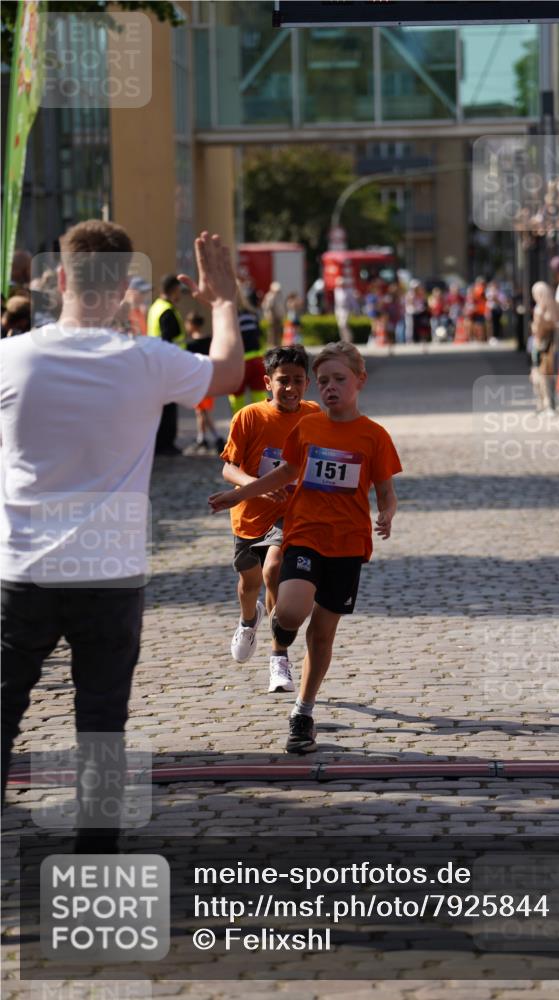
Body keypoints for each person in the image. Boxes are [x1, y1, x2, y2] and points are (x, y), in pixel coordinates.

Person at [1, 222, 244, 849]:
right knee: (103, 722)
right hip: (109, 575)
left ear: (61, 279)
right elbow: (226, 372)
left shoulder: (12, 357)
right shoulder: (146, 360)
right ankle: (96, 856)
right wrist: (222, 304)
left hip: (21, 573)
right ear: (124, 289)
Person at [209, 342, 401, 754]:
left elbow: (386, 490)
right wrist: (239, 495)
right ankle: (277, 637)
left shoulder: (375, 436)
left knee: (323, 635)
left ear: (359, 382)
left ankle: (303, 711)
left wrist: (386, 513)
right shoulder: (307, 428)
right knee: (292, 610)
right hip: (304, 534)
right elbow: (286, 472)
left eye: (339, 380)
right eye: (325, 381)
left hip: (348, 545)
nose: (330, 388)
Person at [221, 345, 320, 693]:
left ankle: (279, 658)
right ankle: (249, 620)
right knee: (249, 585)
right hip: (249, 516)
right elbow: (228, 467)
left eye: (297, 381)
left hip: (290, 514)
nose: (291, 388)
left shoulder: (313, 415)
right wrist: (256, 487)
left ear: (307, 382)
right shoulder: (249, 417)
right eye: (283, 381)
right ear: (267, 382)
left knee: (274, 570)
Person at [147, 274, 187, 455]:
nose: (180, 294)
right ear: (173, 290)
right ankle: (166, 444)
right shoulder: (167, 311)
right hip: (168, 365)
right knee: (169, 407)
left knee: (161, 405)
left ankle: (160, 443)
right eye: (179, 290)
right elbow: (168, 341)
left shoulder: (155, 307)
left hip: (157, 364)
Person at [185, 311, 226, 453]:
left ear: (192, 325)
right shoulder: (209, 340)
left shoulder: (190, 345)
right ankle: (201, 438)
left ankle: (217, 437)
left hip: (197, 380)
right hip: (209, 377)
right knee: (200, 410)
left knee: (203, 411)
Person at [229, 284, 266, 416]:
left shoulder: (230, 316)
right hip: (257, 359)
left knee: (237, 403)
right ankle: (263, 430)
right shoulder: (252, 313)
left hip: (240, 362)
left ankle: (240, 431)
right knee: (260, 401)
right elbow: (260, 335)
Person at [529, 282, 559, 413]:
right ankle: (547, 404)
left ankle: (543, 404)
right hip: (552, 344)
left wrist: (535, 327)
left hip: (541, 345)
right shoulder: (554, 307)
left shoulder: (539, 310)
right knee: (547, 376)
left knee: (539, 375)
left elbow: (537, 330)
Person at [261, 281, 284, 350]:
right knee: (272, 332)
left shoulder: (279, 296)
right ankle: (271, 346)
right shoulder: (269, 296)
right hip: (272, 317)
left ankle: (278, 346)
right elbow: (267, 307)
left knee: (279, 332)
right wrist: (269, 315)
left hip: (279, 317)